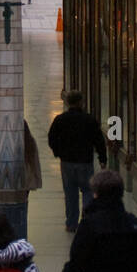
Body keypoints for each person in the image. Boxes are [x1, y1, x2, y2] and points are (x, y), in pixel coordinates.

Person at [47, 90, 107, 231]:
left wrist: (58, 152)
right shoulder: (89, 120)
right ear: (81, 102)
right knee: (87, 191)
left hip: (67, 162)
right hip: (85, 161)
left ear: (67, 102)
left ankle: (71, 223)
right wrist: (102, 159)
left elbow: (51, 138)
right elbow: (99, 140)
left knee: (70, 193)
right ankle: (87, 221)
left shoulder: (60, 120)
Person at [23, 119, 42, 195]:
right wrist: (37, 179)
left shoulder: (14, 142)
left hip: (15, 181)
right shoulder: (31, 141)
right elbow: (36, 162)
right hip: (28, 179)